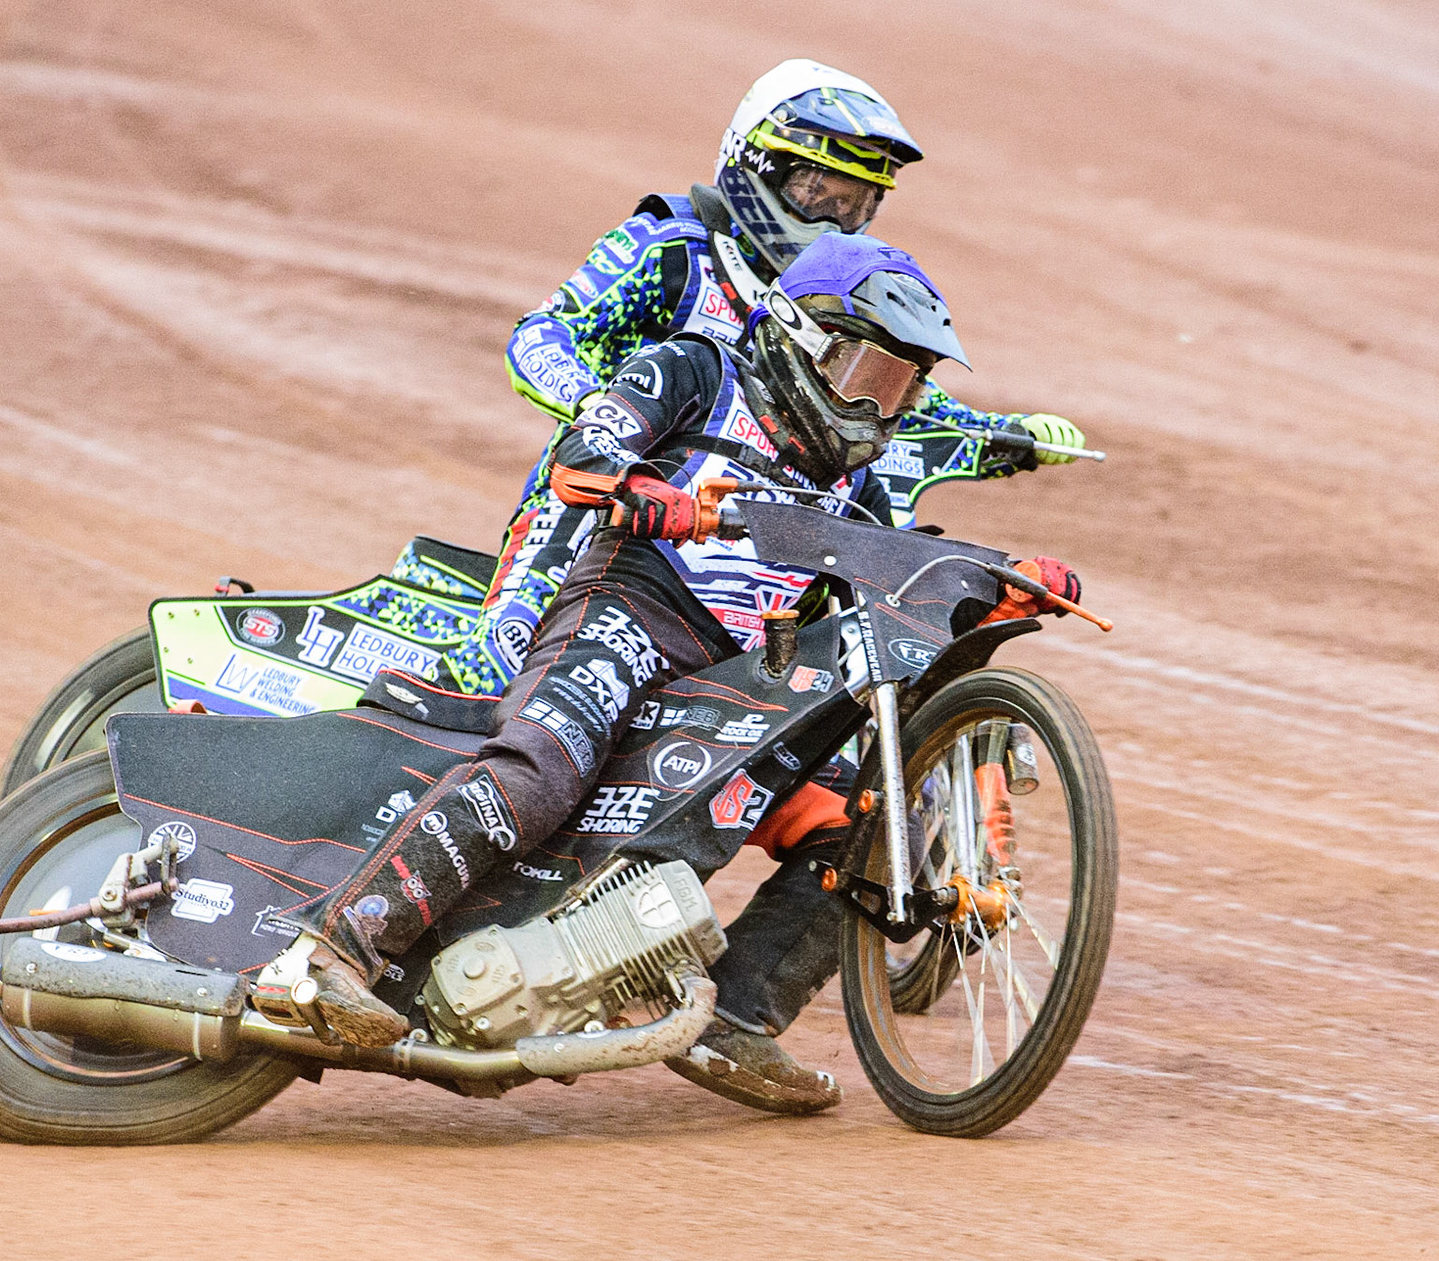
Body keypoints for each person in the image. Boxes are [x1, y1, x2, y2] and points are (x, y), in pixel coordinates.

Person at [373, 60, 1084, 1114]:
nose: (835, 212)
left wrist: (1001, 436)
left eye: (856, 199)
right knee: (519, 718)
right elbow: (541, 339)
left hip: (756, 572)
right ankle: (382, 919)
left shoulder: (848, 293)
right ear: (756, 170)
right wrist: (615, 425)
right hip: (602, 534)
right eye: (817, 191)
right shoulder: (673, 243)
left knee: (843, 780)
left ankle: (733, 1014)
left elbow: (897, 408)